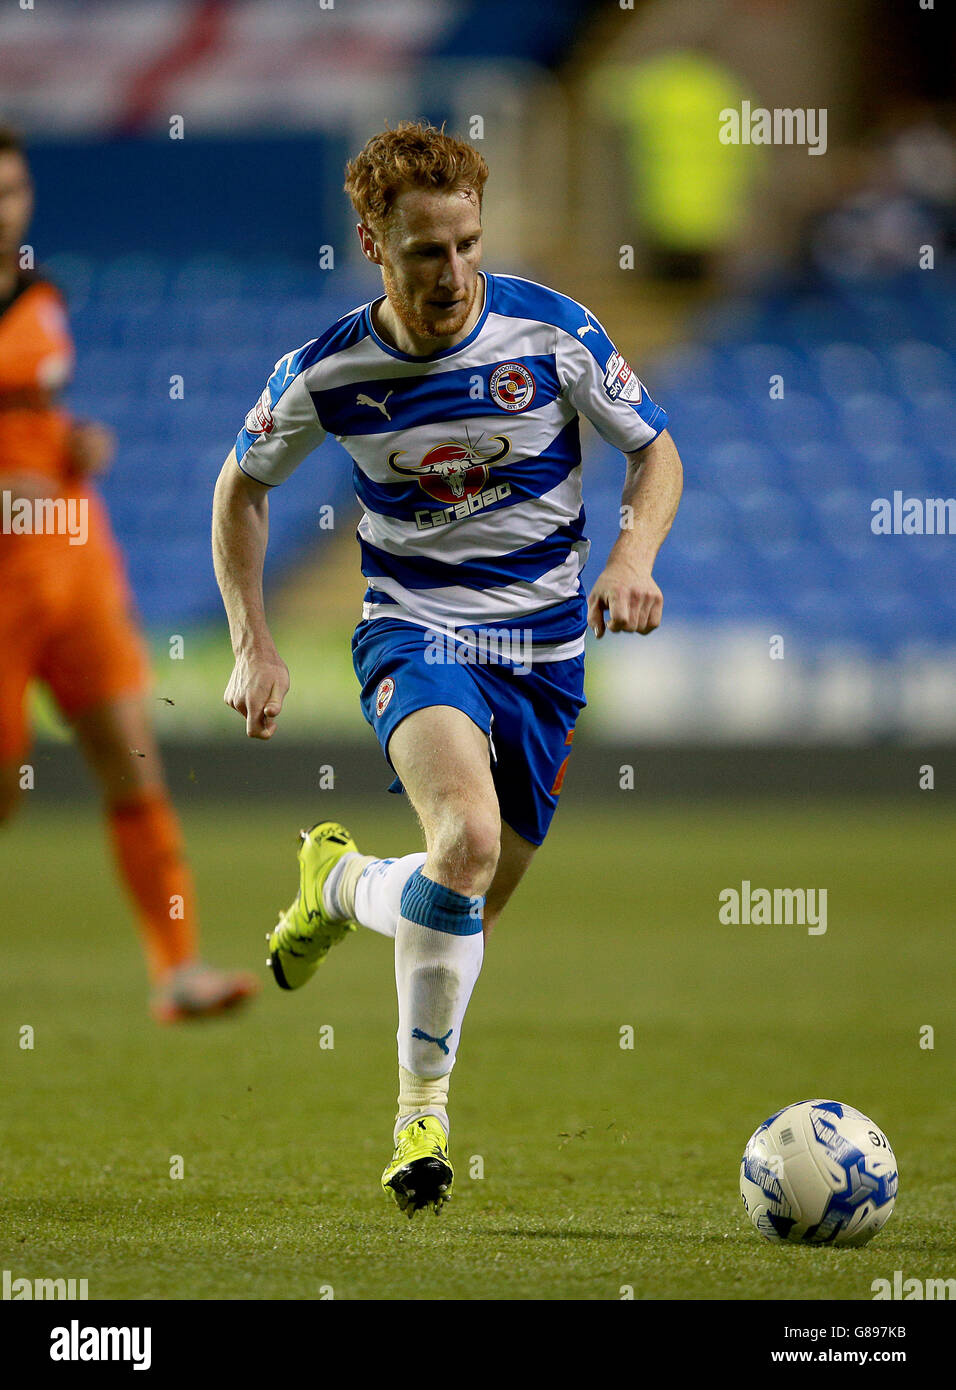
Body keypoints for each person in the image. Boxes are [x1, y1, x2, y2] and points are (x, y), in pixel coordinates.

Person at [212, 121, 682, 1216]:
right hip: (416, 635)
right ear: (374, 244)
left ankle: (334, 883)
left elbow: (653, 447)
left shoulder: (550, 333)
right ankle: (418, 1119)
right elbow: (242, 487)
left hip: (546, 661)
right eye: (427, 251)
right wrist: (251, 638)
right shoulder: (328, 371)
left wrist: (629, 551)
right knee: (462, 843)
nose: (455, 272)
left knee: (455, 901)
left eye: (468, 242)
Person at [0, 124, 258, 1023]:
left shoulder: (42, 298)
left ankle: (177, 968)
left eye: (15, 191)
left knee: (131, 755)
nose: (7, 210)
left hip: (71, 555)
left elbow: (33, 420)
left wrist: (70, 448)